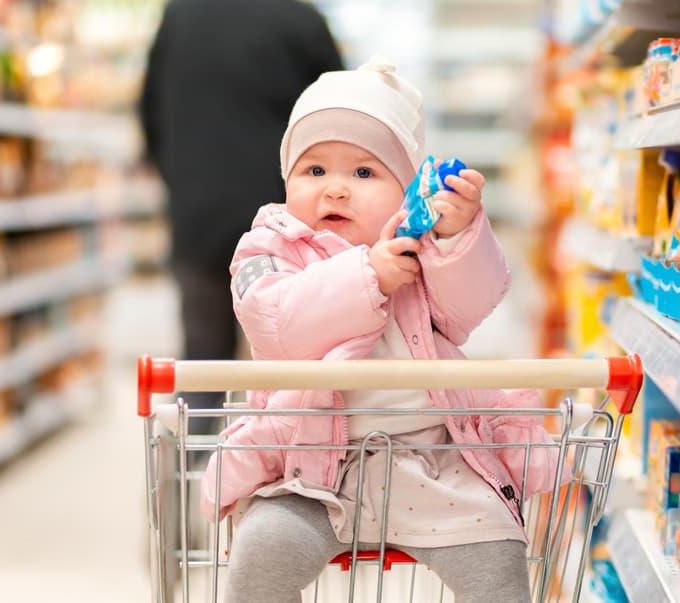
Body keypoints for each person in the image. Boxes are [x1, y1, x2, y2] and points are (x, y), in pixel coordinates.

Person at [199, 58, 562, 603]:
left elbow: (470, 307)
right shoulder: (267, 248)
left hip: (434, 466)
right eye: (314, 171)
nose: (336, 190)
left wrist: (460, 235)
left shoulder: (421, 250)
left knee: (498, 551)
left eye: (364, 173)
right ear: (287, 180)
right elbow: (278, 324)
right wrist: (369, 275)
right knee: (262, 553)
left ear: (407, 191)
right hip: (310, 471)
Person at [138, 0, 343, 435]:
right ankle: (287, 489)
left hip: (199, 217)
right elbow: (341, 121)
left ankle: (193, 488)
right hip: (288, 227)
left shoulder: (180, 15)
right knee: (292, 370)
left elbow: (149, 115)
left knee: (203, 364)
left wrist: (182, 181)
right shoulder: (302, 19)